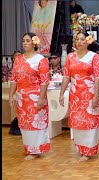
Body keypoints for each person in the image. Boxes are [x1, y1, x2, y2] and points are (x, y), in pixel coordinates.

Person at [59, 32, 99, 162]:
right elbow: (66, 76)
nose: (79, 42)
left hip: (89, 94)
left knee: (89, 121)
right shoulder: (70, 57)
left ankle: (88, 150)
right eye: (77, 39)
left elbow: (97, 76)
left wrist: (96, 95)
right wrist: (61, 93)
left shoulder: (93, 56)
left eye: (82, 39)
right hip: (75, 95)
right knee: (78, 122)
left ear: (88, 41)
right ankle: (81, 148)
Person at [9, 32, 50, 160]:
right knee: (24, 123)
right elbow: (14, 79)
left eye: (28, 41)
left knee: (35, 123)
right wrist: (11, 95)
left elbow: (44, 81)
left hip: (35, 97)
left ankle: (35, 150)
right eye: (23, 41)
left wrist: (41, 98)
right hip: (22, 98)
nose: (25, 43)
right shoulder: (18, 59)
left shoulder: (41, 60)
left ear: (34, 42)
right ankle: (29, 147)